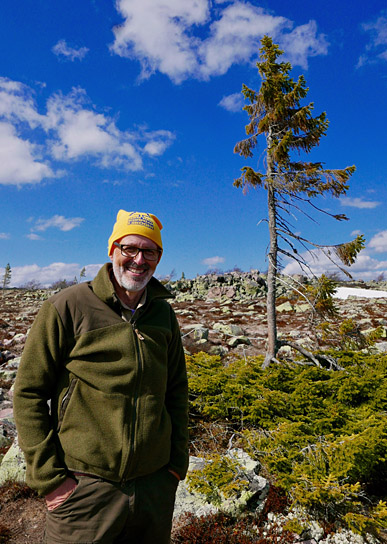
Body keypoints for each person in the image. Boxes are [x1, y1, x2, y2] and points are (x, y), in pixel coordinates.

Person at [14, 210, 189, 544]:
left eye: (149, 251)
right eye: (129, 249)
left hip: (154, 488)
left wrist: (175, 466)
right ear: (112, 251)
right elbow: (28, 394)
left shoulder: (163, 314)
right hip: (84, 489)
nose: (139, 260)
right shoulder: (66, 307)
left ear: (158, 258)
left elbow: (176, 391)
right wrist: (51, 480)